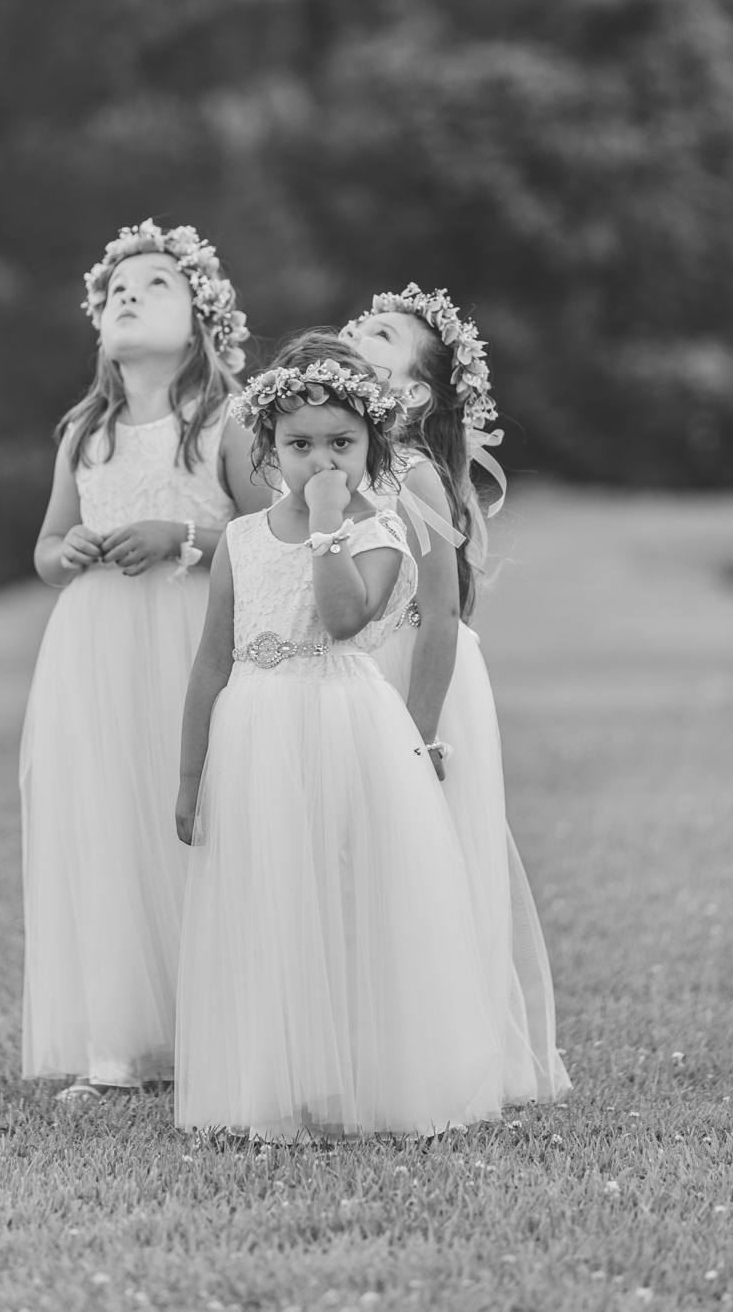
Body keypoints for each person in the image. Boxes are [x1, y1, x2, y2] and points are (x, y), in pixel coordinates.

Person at [174, 334, 503, 1141]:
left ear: (371, 447)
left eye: (341, 444)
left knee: (341, 893)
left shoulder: (380, 532)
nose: (321, 459)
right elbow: (209, 662)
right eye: (299, 444)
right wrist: (188, 777)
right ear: (267, 450)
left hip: (341, 725)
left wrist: (328, 527)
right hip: (253, 733)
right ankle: (282, 1082)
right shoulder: (243, 544)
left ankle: (360, 1075)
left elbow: (344, 615)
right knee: (271, 897)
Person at [20, 220, 267, 1100]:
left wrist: (182, 536)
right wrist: (69, 552)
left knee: (199, 814)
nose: (129, 293)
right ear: (98, 326)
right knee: (108, 825)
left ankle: (219, 1025)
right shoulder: (85, 431)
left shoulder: (224, 424)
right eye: (116, 288)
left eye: (156, 283)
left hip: (189, 646)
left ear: (202, 319)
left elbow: (269, 536)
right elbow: (46, 547)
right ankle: (121, 1048)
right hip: (94, 656)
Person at [342, 287, 571, 1104]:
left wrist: (417, 735)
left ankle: (446, 1049)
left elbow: (439, 615)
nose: (348, 334)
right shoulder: (333, 462)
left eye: (377, 333)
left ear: (411, 394)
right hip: (355, 673)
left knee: (428, 856)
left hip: (418, 677)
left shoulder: (408, 475)